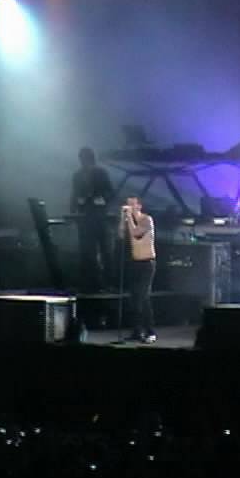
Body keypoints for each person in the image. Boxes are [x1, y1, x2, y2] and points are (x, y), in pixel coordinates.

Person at [70, 147, 114, 292]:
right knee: (87, 252)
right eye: (81, 159)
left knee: (106, 252)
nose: (83, 162)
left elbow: (110, 193)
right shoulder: (77, 175)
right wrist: (73, 210)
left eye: (85, 159)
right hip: (85, 218)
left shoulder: (101, 173)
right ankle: (91, 283)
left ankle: (108, 283)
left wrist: (101, 200)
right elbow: (74, 194)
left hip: (100, 217)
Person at [118, 196, 157, 343]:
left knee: (143, 296)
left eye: (132, 204)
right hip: (135, 263)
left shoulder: (147, 220)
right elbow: (120, 235)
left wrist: (129, 217)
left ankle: (150, 331)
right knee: (134, 298)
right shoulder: (130, 222)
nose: (129, 207)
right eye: (128, 204)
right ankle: (137, 331)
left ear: (139, 206)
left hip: (147, 264)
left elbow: (136, 234)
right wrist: (122, 219)